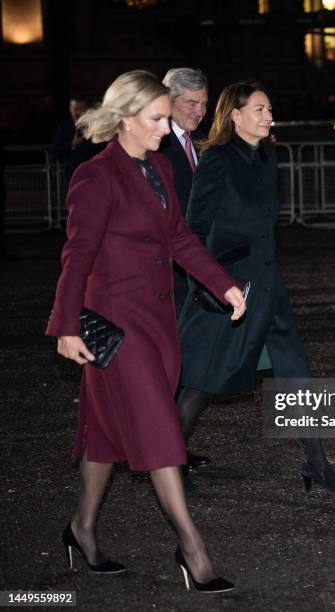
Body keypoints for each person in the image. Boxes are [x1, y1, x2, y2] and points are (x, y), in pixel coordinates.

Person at [45, 70, 247, 593]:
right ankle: (192, 548)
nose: (167, 126)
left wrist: (223, 285)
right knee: (160, 431)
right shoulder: (96, 176)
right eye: (157, 117)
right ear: (125, 118)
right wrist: (66, 327)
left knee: (107, 435)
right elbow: (77, 257)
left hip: (158, 325)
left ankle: (81, 528)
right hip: (114, 328)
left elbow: (179, 237)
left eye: (166, 116)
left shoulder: (157, 165)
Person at [176, 81, 335, 494]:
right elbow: (193, 231)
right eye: (258, 109)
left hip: (269, 285)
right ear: (234, 115)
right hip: (231, 289)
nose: (268, 115)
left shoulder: (267, 157)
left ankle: (318, 465)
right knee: (204, 381)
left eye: (269, 108)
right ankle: (167, 464)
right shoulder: (217, 160)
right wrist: (207, 284)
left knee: (296, 376)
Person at [160, 68, 209, 318]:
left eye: (203, 104)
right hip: (168, 265)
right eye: (191, 103)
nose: (199, 112)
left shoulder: (205, 141)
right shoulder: (154, 144)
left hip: (202, 259)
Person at [50, 95, 102, 189]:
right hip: (73, 176)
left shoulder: (96, 127)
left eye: (81, 109)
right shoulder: (64, 128)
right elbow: (55, 151)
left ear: (87, 110)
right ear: (70, 109)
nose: (77, 113)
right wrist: (72, 144)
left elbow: (102, 148)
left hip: (95, 174)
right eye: (75, 109)